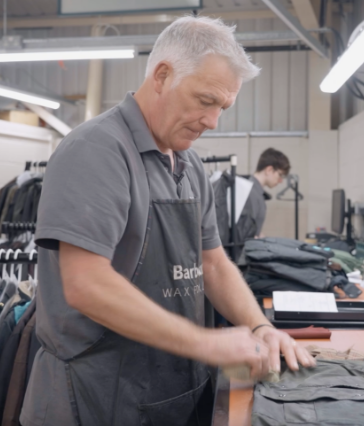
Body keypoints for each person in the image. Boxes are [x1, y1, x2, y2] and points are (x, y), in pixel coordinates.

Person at [20, 17, 314, 426]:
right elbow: (86, 284)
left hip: (173, 391)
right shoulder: (96, 150)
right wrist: (206, 343)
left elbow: (212, 264)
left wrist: (259, 326)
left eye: (223, 108)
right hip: (97, 398)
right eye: (205, 100)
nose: (213, 121)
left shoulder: (190, 165)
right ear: (162, 76)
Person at [238, 148, 291, 244]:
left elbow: (251, 230)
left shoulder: (256, 193)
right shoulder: (251, 194)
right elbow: (244, 235)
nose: (280, 181)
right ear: (269, 170)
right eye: (280, 175)